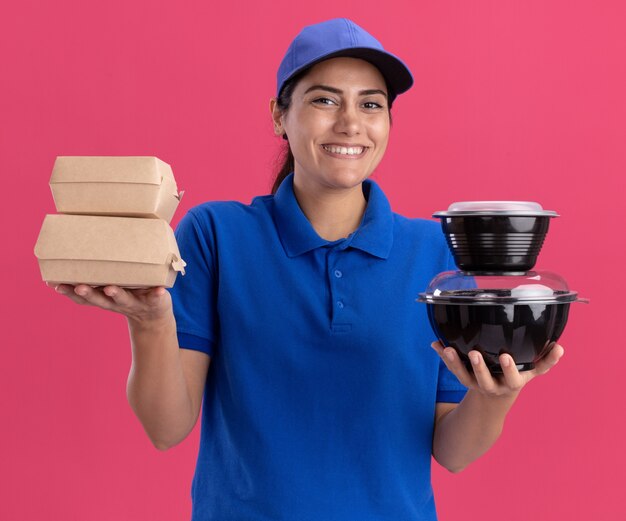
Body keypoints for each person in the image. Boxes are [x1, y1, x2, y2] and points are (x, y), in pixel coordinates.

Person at [51, 18, 564, 521]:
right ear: (278, 115)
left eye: (371, 104)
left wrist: (496, 396)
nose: (350, 123)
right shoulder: (216, 235)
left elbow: (452, 451)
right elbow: (166, 428)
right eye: (324, 100)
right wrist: (150, 322)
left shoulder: (435, 252)